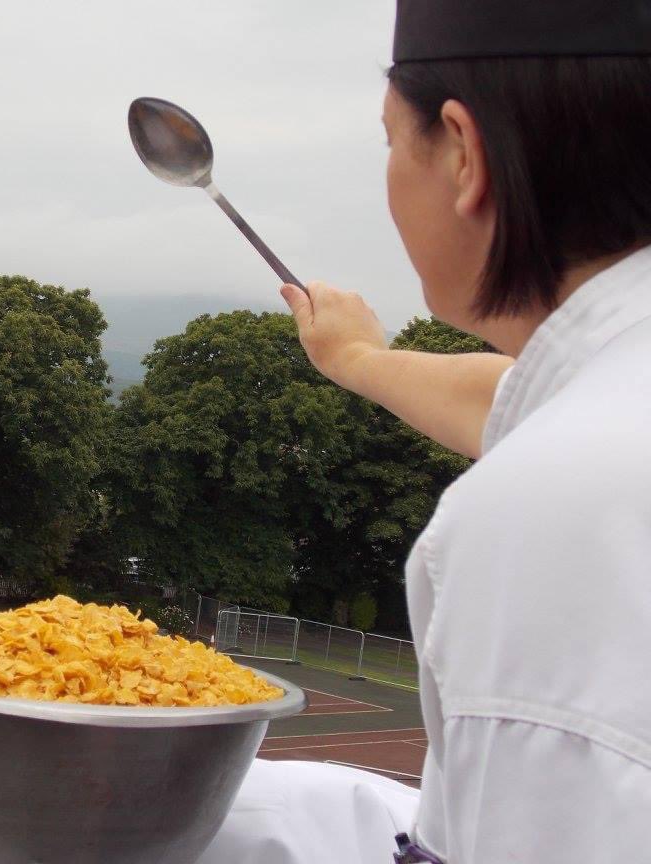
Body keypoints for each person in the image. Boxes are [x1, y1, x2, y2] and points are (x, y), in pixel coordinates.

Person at [277, 1, 651, 860]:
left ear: (463, 151)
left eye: (390, 141)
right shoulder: (605, 407)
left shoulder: (541, 523)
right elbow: (529, 404)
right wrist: (360, 360)